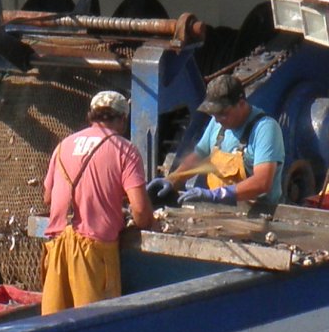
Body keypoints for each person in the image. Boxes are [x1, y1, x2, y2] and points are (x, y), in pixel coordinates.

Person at [40, 89, 154, 315]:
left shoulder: (63, 145)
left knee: (52, 328)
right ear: (122, 119)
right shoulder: (125, 150)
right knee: (95, 327)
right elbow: (140, 213)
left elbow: (48, 198)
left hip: (57, 246)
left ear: (90, 116)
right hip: (93, 252)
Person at [169, 74, 285, 207]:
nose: (217, 119)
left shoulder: (265, 128)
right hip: (220, 210)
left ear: (241, 104)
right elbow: (198, 155)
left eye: (222, 113)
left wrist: (216, 195)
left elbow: (262, 182)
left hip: (258, 213)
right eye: (213, 113)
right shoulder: (217, 122)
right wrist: (172, 179)